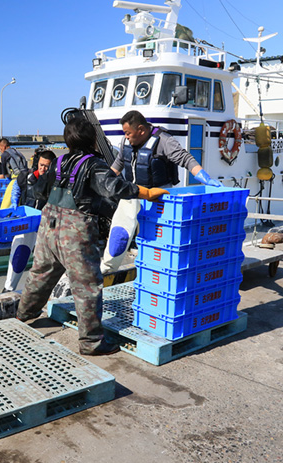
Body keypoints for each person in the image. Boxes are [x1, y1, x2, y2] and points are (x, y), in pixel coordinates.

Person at [16, 118, 168, 356]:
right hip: (74, 230)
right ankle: (91, 343)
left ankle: (23, 316)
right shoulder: (94, 164)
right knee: (86, 285)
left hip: (48, 225)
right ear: (92, 139)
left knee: (41, 273)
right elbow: (114, 187)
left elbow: (39, 190)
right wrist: (145, 192)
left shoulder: (58, 162)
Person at [101, 110, 222, 274]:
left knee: (158, 237)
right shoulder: (126, 142)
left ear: (141, 130)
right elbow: (118, 163)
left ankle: (159, 269)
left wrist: (204, 177)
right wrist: (103, 183)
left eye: (128, 133)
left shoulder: (164, 141)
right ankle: (106, 271)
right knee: (119, 234)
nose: (126, 136)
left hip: (159, 195)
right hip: (134, 192)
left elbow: (185, 158)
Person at [2, 149, 56, 293]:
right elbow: (16, 189)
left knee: (45, 259)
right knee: (19, 254)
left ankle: (41, 291)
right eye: (41, 165)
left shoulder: (55, 181)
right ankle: (8, 288)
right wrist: (14, 201)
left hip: (44, 225)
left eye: (46, 166)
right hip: (26, 222)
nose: (43, 168)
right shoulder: (26, 176)